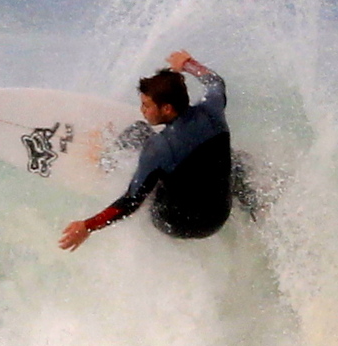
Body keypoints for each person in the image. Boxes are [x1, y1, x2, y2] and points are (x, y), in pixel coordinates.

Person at [59, 50, 232, 250]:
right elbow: (215, 82)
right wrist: (188, 64)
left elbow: (130, 202)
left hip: (177, 224)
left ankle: (104, 161)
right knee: (232, 160)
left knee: (139, 131)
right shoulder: (212, 110)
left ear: (167, 108)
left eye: (146, 105)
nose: (143, 110)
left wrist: (88, 226)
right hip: (219, 216)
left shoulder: (158, 147)